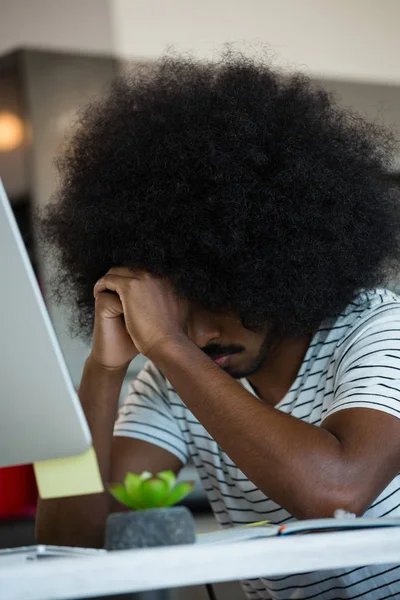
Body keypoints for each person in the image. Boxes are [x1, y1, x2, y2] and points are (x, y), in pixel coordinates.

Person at [36, 52, 400, 599]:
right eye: (176, 308)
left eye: (217, 297)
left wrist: (168, 344)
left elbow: (338, 494)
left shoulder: (377, 327)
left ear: (278, 267)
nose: (200, 333)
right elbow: (70, 544)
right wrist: (104, 370)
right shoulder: (172, 370)